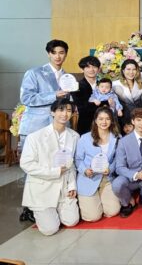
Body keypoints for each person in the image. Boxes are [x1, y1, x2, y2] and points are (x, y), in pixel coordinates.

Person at [19, 39, 70, 222]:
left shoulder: (67, 77)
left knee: (53, 165)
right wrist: (53, 95)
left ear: (66, 54)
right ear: (49, 54)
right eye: (54, 52)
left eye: (61, 52)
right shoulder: (35, 73)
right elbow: (26, 97)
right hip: (36, 127)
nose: (58, 56)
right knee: (33, 167)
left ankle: (49, 203)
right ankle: (28, 208)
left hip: (58, 128)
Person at [19, 98, 80, 235]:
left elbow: (73, 164)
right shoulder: (35, 137)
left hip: (63, 187)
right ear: (52, 112)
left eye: (68, 110)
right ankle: (39, 211)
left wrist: (72, 186)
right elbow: (26, 164)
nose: (64, 114)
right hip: (43, 188)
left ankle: (57, 209)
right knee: (50, 229)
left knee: (72, 221)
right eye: (60, 110)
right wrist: (54, 172)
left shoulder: (74, 136)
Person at [112, 108, 142, 217]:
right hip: (131, 178)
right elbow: (119, 167)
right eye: (138, 120)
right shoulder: (123, 142)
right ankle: (128, 202)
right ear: (133, 121)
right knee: (117, 184)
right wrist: (135, 174)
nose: (141, 124)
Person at [75, 107, 121, 221]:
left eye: (107, 119)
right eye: (100, 119)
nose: (104, 122)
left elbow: (118, 159)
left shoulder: (117, 138)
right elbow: (78, 159)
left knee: (113, 211)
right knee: (93, 217)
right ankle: (87, 202)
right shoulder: (85, 138)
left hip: (107, 178)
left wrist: (110, 169)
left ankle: (101, 198)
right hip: (89, 178)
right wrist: (85, 170)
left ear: (112, 121)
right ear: (95, 120)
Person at [112, 59, 142, 134]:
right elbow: (112, 105)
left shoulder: (141, 85)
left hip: (137, 121)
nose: (131, 72)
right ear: (123, 71)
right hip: (121, 121)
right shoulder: (115, 85)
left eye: (134, 69)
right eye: (128, 69)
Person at [71, 55, 101, 135]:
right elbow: (82, 107)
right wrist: (102, 103)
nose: (91, 70)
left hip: (104, 123)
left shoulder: (104, 84)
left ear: (98, 69)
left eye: (94, 67)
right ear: (82, 69)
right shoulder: (76, 86)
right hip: (86, 124)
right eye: (88, 67)